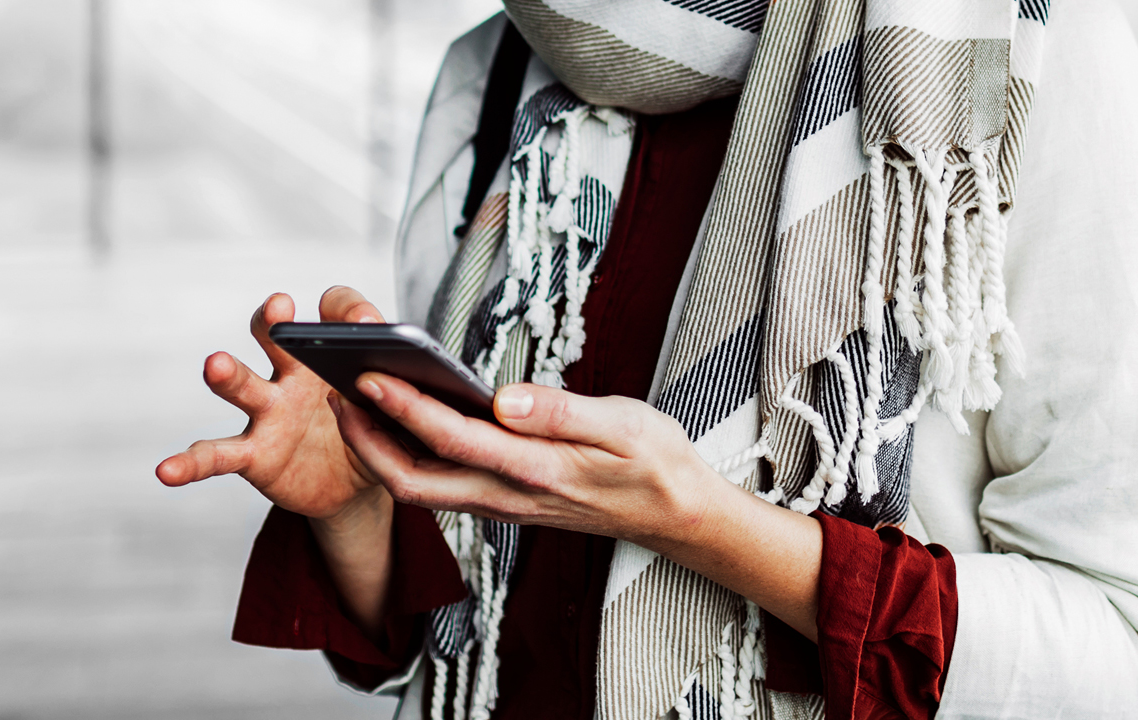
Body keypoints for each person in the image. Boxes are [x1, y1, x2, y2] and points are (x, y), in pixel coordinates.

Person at [156, 1, 1138, 718]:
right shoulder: (505, 61)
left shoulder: (1023, 54)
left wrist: (703, 528)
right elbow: (456, 642)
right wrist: (361, 508)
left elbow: (1108, 649)